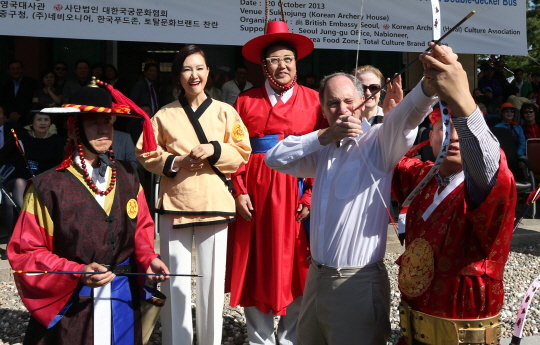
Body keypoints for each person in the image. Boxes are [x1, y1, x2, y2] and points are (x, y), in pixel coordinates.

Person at [265, 43, 473, 345]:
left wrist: (428, 85)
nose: (342, 110)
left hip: (357, 283)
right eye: (333, 104)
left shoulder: (378, 142)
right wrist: (325, 136)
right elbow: (274, 158)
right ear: (322, 109)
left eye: (348, 101)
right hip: (316, 278)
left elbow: (408, 114)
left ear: (364, 102)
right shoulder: (322, 149)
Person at [7, 81, 170, 345]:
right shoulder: (47, 187)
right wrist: (77, 271)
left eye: (108, 122)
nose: (104, 129)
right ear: (74, 129)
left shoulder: (129, 176)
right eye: (94, 123)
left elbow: (141, 232)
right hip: (72, 305)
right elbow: (27, 253)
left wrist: (149, 259)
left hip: (122, 301)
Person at [391, 58, 516, 345]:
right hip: (412, 328)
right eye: (444, 129)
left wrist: (462, 98)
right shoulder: (421, 178)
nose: (455, 137)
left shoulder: (485, 186)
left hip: (463, 328)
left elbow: (488, 166)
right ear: (430, 139)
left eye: (463, 128)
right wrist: (398, 118)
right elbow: (391, 159)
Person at [136, 45, 251, 345]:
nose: (194, 75)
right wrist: (175, 162)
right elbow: (146, 152)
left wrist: (215, 148)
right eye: (187, 69)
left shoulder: (226, 112)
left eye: (199, 68)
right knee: (175, 282)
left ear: (209, 72)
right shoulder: (163, 115)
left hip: (214, 201)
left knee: (212, 283)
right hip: (176, 202)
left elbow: (243, 153)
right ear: (178, 76)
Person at [225, 20, 327, 345]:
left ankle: (290, 338)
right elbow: (236, 150)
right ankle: (259, 338)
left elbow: (324, 151)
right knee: (257, 263)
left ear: (296, 63)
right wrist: (238, 191)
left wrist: (310, 196)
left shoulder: (314, 100)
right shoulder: (245, 101)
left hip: (296, 192)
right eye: (274, 60)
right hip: (256, 193)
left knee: (298, 264)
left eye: (288, 59)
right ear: (263, 65)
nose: (282, 66)